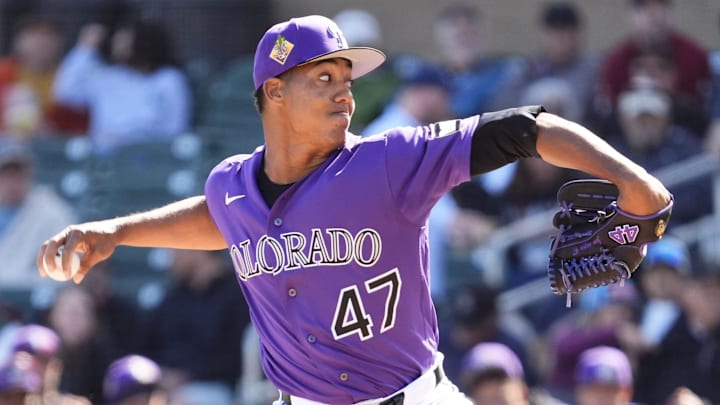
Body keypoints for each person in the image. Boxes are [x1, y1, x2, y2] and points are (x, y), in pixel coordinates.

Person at [36, 14, 672, 405]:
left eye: (347, 80)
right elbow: (220, 219)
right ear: (274, 93)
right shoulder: (231, 185)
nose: (345, 95)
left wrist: (636, 184)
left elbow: (529, 128)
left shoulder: (387, 162)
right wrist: (117, 232)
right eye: (325, 80)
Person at [52, 18, 191, 155]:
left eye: (124, 40)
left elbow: (175, 127)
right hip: (104, 159)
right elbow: (65, 93)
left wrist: (134, 140)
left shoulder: (169, 79)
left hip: (149, 156)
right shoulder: (107, 76)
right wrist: (85, 49)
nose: (117, 44)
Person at [134, 249, 250, 404]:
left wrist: (187, 375)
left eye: (176, 252)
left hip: (221, 388)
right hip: (163, 385)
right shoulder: (172, 297)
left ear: (198, 251)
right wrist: (156, 374)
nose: (172, 261)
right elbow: (144, 345)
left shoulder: (238, 294)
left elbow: (235, 357)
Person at [0, 139, 77, 290]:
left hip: (30, 302)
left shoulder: (52, 212)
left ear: (30, 175)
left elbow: (64, 268)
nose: (13, 182)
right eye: (7, 175)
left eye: (19, 174)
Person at [0, 15, 88, 139]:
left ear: (60, 42)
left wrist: (51, 131)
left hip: (53, 149)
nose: (41, 43)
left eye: (49, 36)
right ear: (18, 42)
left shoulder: (73, 77)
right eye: (34, 36)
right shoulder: (4, 73)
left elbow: (83, 129)